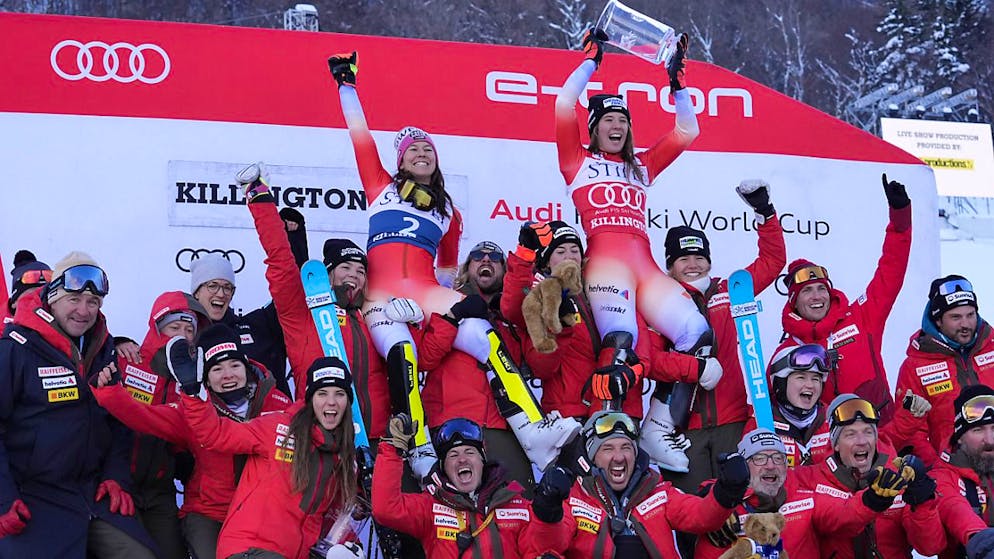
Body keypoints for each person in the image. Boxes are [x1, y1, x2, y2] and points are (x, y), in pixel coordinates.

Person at [329, 51, 578, 475]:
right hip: (382, 298)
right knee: (403, 353)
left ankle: (533, 430)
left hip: (422, 292)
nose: (421, 154)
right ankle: (420, 448)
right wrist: (346, 87)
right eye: (413, 151)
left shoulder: (448, 213)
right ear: (401, 161)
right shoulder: (379, 187)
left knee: (485, 335)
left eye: (428, 149)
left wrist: (435, 310)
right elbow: (361, 137)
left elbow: (445, 273)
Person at [554, 30, 720, 461]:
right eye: (608, 120)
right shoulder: (578, 162)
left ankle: (658, 430)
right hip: (606, 265)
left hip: (644, 265)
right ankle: (603, 441)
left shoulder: (642, 167)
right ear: (594, 128)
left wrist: (677, 85)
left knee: (698, 333)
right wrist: (591, 62)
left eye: (623, 121)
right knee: (621, 344)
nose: (617, 126)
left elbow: (688, 129)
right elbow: (562, 105)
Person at [500, 220, 709, 471]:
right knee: (579, 502)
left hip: (621, 416)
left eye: (574, 250)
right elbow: (539, 360)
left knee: (622, 503)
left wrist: (689, 368)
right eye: (560, 251)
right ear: (546, 261)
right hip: (572, 422)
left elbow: (643, 350)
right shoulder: (543, 297)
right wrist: (562, 329)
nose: (569, 257)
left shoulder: (609, 289)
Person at [0, 252, 157, 558]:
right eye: (74, 299)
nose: (84, 311)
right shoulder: (14, 349)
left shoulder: (104, 349)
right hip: (33, 497)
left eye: (93, 302)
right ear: (52, 298)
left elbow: (118, 422)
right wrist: (2, 497)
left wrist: (115, 475)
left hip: (92, 495)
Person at [93, 323, 292, 559]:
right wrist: (109, 391)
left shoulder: (277, 403)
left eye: (235, 365)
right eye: (217, 369)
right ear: (205, 377)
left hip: (260, 513)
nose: (228, 375)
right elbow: (145, 416)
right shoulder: (193, 410)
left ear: (247, 367)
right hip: (209, 513)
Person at [171, 336, 361, 559]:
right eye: (322, 394)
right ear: (309, 400)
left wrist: (351, 545)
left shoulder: (340, 457)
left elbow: (333, 518)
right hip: (249, 550)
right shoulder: (278, 427)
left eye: (339, 394)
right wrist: (193, 393)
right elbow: (215, 434)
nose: (331, 402)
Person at [663, 180, 786, 493]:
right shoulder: (660, 302)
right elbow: (654, 360)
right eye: (683, 260)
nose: (693, 265)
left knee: (737, 506)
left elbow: (772, 263)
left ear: (709, 261)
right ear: (670, 267)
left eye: (699, 258)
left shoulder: (729, 292)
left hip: (732, 423)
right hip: (683, 429)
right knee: (694, 512)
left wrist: (765, 213)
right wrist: (693, 369)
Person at [772, 174, 912, 424]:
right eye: (807, 291)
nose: (817, 297)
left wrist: (900, 220)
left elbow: (890, 271)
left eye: (821, 289)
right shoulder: (789, 349)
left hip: (882, 429)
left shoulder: (861, 317)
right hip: (829, 444)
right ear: (793, 300)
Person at [372, 414, 571, 558]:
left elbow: (541, 549)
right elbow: (386, 509)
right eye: (453, 455)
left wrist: (548, 512)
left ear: (483, 460)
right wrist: (392, 449)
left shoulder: (515, 503)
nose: (462, 460)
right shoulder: (431, 505)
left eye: (469, 452)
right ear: (443, 468)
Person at [560, 410, 750, 557]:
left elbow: (701, 515)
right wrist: (547, 508)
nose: (619, 457)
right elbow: (550, 542)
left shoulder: (659, 493)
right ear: (593, 458)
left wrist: (728, 489)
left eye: (626, 447)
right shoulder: (574, 500)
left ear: (635, 454)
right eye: (608, 448)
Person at [694, 428, 893, 558]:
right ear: (744, 466)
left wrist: (873, 499)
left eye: (779, 458)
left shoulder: (805, 498)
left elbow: (844, 513)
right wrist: (712, 499)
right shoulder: (727, 508)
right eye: (760, 458)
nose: (771, 466)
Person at [116, 290, 208, 559]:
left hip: (160, 491)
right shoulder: (127, 360)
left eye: (188, 329)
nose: (181, 334)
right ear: (157, 328)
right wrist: (116, 341)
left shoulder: (195, 375)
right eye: (173, 327)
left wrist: (181, 456)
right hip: (120, 484)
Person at [795, 394, 945, 558]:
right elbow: (836, 522)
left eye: (868, 432)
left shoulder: (896, 479)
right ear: (835, 444)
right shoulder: (809, 480)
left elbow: (931, 547)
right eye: (850, 434)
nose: (861, 441)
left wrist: (923, 504)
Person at [892, 275, 994, 465]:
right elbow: (913, 432)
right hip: (953, 473)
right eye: (956, 317)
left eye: (970, 315)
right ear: (938, 320)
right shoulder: (915, 367)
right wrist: (940, 470)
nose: (965, 324)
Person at [189, 253, 291, 397]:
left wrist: (293, 235)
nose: (221, 293)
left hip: (272, 416)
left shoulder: (260, 325)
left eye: (227, 287)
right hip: (208, 417)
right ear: (197, 292)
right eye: (213, 286)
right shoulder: (184, 334)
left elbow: (289, 291)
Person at [928, 385, 994, 559]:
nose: (989, 440)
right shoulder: (941, 476)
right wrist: (984, 542)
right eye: (978, 430)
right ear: (960, 436)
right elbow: (955, 510)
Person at [744, 344, 833, 468]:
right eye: (801, 377)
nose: (810, 385)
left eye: (816, 379)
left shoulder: (832, 420)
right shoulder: (760, 422)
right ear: (781, 383)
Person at [4, 250, 51, 322]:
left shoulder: (69, 327)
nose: (41, 303)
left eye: (47, 296)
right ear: (14, 303)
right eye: (32, 297)